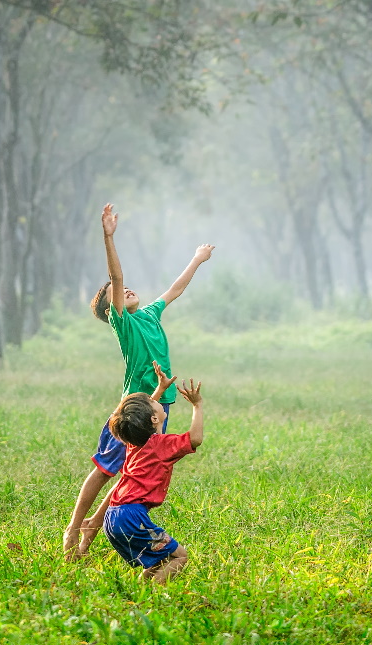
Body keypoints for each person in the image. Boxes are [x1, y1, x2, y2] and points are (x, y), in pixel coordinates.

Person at [62, 203, 214, 560]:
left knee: (134, 472)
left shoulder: (148, 313)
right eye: (116, 293)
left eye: (128, 288)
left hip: (161, 405)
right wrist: (108, 236)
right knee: (104, 469)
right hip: (133, 407)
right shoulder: (124, 323)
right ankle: (74, 529)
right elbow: (115, 278)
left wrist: (196, 259)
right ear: (109, 310)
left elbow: (175, 289)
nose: (125, 289)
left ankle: (90, 536)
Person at [103, 372, 203, 582]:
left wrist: (160, 389)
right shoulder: (162, 446)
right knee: (180, 556)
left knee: (160, 559)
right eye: (152, 402)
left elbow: (141, 418)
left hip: (113, 516)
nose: (153, 400)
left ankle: (140, 591)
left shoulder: (134, 442)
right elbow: (195, 438)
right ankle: (153, 596)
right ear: (154, 418)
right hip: (132, 518)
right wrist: (197, 405)